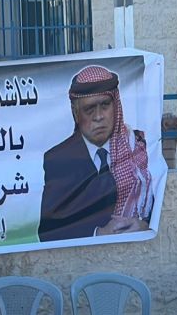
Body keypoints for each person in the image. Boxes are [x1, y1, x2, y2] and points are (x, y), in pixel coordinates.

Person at [38, 65, 153, 242]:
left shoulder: (138, 146)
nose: (99, 117)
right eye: (89, 109)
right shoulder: (57, 159)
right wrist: (98, 234)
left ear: (116, 106)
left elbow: (160, 205)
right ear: (76, 113)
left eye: (105, 105)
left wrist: (145, 225)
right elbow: (47, 231)